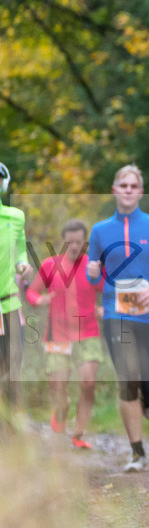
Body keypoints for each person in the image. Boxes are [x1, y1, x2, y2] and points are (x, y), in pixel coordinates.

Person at [87, 164, 149, 471]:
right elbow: (92, 276)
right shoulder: (100, 230)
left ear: (140, 191)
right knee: (127, 380)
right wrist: (92, 274)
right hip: (116, 314)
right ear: (114, 189)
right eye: (122, 185)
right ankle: (137, 452)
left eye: (133, 186)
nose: (127, 190)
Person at [25, 219, 104, 449]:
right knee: (58, 387)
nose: (73, 246)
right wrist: (38, 300)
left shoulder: (93, 266)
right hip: (57, 335)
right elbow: (32, 291)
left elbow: (108, 291)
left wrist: (104, 308)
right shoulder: (51, 265)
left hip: (87, 333)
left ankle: (79, 435)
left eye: (78, 242)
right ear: (63, 241)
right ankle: (62, 409)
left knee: (88, 383)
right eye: (69, 242)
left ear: (85, 242)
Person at [0, 162, 32, 413]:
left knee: (13, 363)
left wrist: (23, 263)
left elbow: (20, 248)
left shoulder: (15, 216)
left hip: (9, 303)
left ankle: (13, 423)